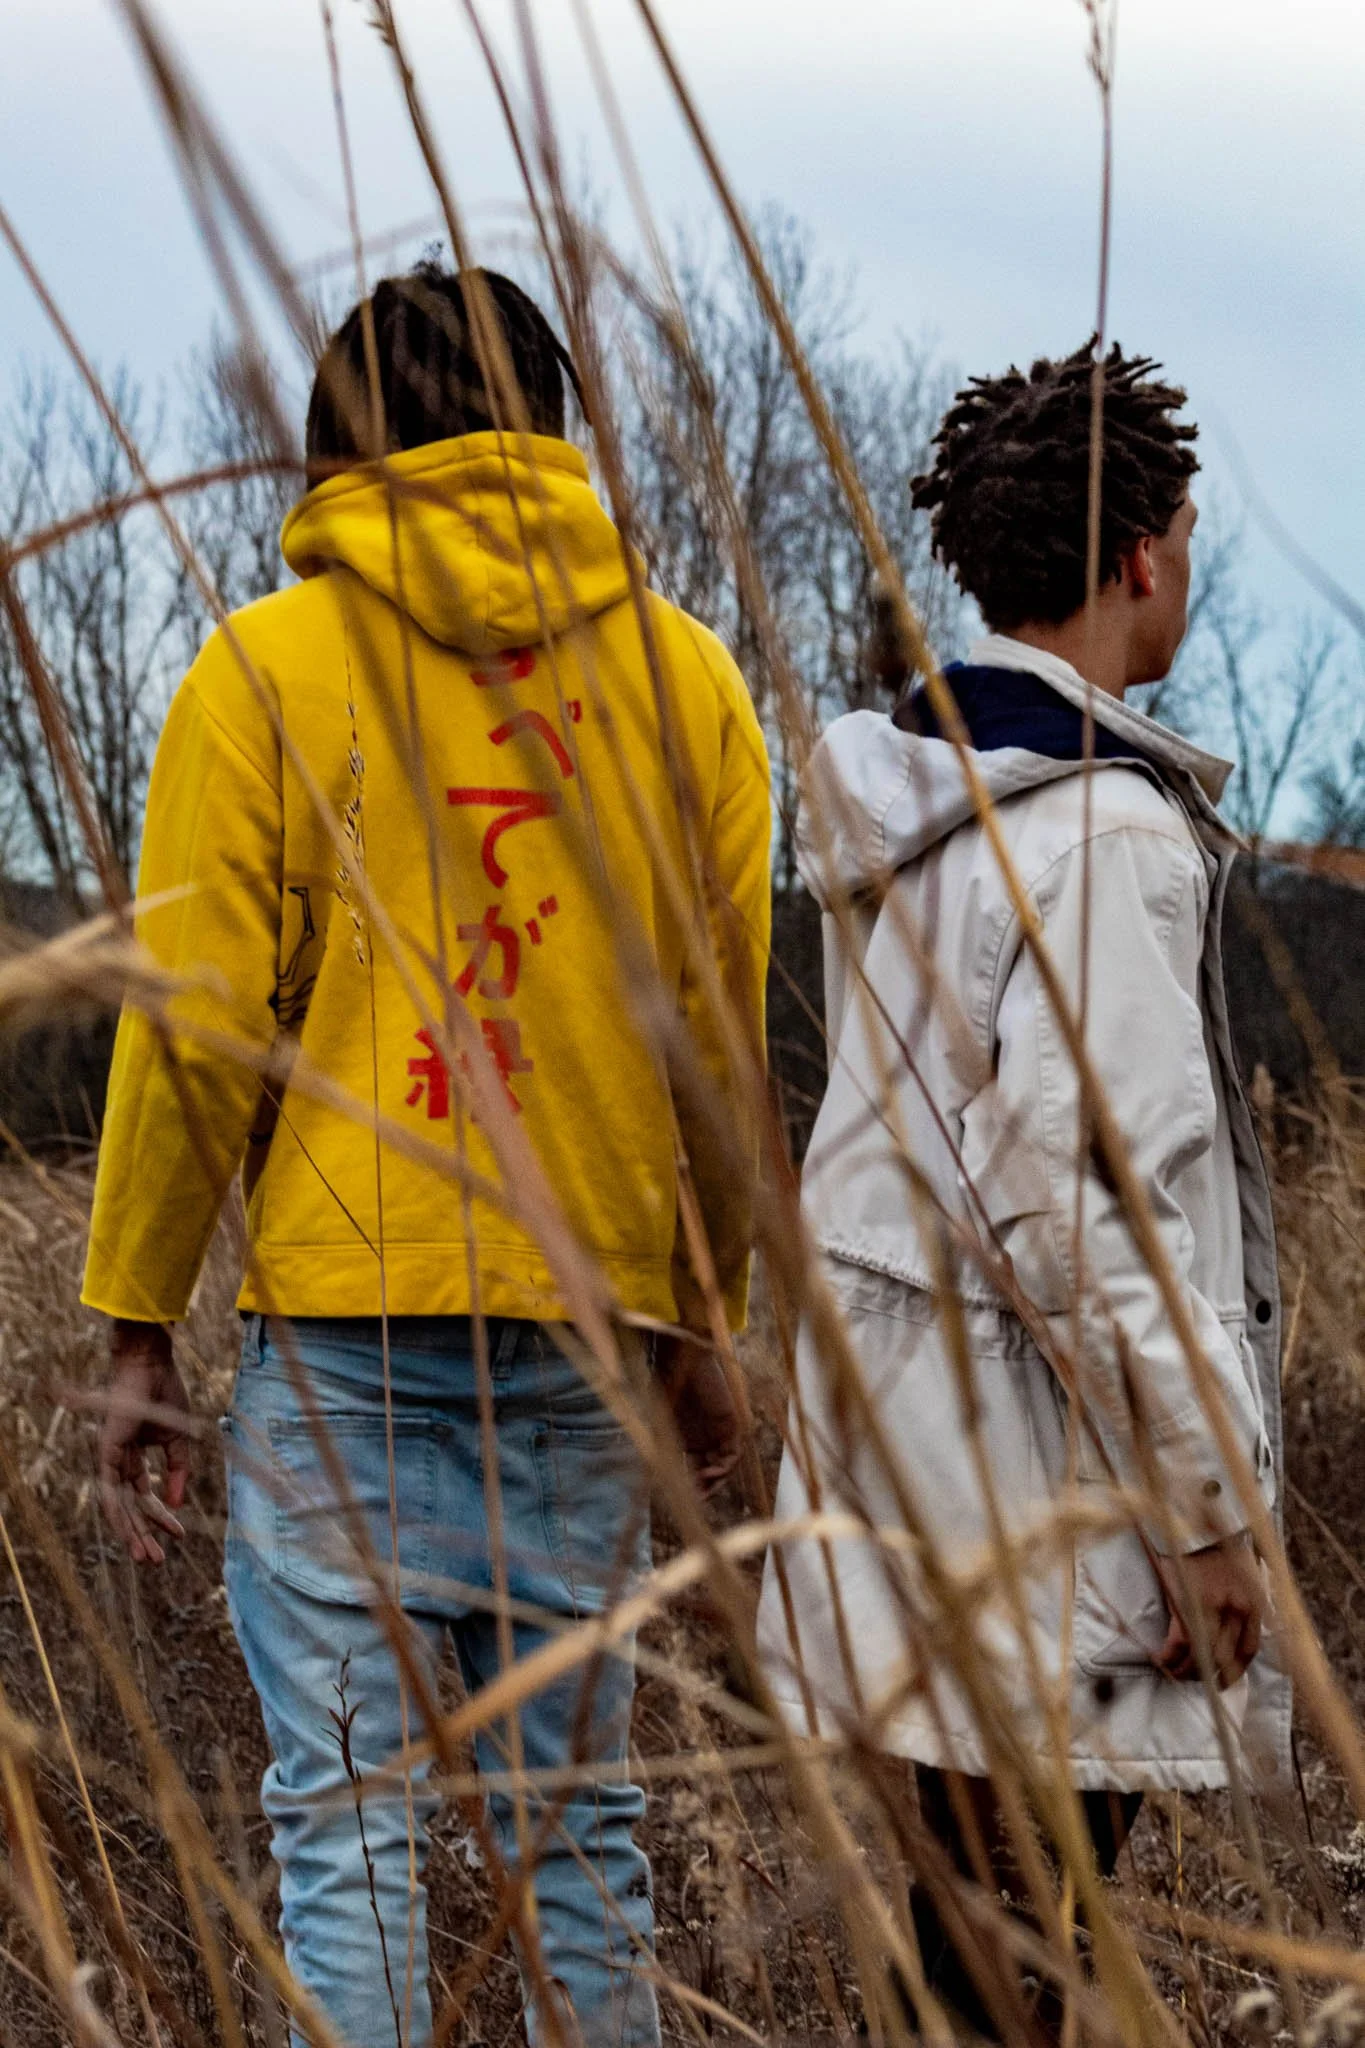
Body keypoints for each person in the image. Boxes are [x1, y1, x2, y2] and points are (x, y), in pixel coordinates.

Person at [83, 265, 771, 2048]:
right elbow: (720, 1051)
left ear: (333, 444)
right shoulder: (689, 680)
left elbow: (191, 1023)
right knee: (582, 1842)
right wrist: (706, 1329)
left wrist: (136, 1326)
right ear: (552, 427)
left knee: (352, 1844)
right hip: (589, 1345)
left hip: (339, 1359)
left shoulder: (260, 673)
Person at [757, 343, 1284, 2039]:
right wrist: (1205, 1511)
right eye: (1186, 536)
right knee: (1012, 1969)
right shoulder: (1100, 836)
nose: (1185, 571)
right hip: (1040, 1503)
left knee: (964, 1946)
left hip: (900, 1480)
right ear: (1142, 558)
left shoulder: (914, 799)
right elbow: (1090, 1211)